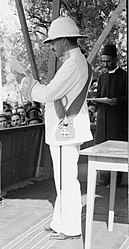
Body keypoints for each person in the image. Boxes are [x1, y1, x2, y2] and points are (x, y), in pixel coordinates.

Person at [21, 16, 93, 240]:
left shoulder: (72, 64)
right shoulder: (79, 62)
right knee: (63, 178)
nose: (51, 46)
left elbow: (49, 94)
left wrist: (28, 85)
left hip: (65, 129)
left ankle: (70, 228)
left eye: (53, 42)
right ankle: (59, 221)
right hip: (68, 127)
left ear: (63, 40)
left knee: (66, 180)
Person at [89, 44, 128, 185]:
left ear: (115, 60)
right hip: (102, 119)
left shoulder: (125, 76)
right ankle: (103, 180)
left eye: (108, 61)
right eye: (103, 61)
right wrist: (92, 107)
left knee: (115, 151)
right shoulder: (102, 76)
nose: (105, 64)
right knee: (101, 148)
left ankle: (116, 182)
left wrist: (116, 101)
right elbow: (99, 96)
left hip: (117, 121)